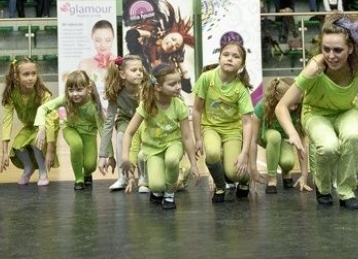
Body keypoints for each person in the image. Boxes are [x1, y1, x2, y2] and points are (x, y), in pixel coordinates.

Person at [276, 13, 358, 210]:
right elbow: (282, 106)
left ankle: (347, 191)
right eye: (326, 49)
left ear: (350, 48)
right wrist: (293, 134)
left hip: (346, 110)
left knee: (353, 136)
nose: (331, 56)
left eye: (338, 50)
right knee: (329, 147)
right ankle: (323, 188)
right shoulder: (315, 68)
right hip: (316, 113)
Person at [121, 63, 201, 210]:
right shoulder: (147, 105)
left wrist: (194, 165)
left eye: (179, 82)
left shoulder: (179, 105)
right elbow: (129, 132)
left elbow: (187, 136)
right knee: (156, 186)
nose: (178, 86)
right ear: (158, 86)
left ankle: (170, 194)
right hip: (152, 149)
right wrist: (125, 158)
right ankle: (161, 188)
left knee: (171, 160)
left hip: (173, 143)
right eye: (172, 84)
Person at [193, 35, 255, 202]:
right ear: (219, 58)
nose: (230, 58)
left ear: (241, 65)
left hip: (232, 130)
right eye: (226, 54)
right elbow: (197, 110)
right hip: (210, 127)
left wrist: (244, 153)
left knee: (233, 173)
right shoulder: (207, 78)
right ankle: (220, 186)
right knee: (212, 154)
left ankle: (244, 180)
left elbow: (248, 123)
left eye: (236, 57)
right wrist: (198, 138)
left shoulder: (241, 89)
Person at [35, 70, 104, 191]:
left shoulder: (94, 104)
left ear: (88, 88)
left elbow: (103, 129)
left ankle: (87, 174)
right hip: (71, 129)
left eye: (79, 90)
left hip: (89, 133)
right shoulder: (66, 99)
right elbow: (43, 108)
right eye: (71, 90)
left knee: (90, 165)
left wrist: (108, 154)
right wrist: (41, 127)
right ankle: (79, 179)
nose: (75, 94)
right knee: (76, 145)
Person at [1, 58, 57, 186]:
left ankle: (43, 173)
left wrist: (50, 149)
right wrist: (4, 152)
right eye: (26, 74)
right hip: (30, 126)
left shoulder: (43, 94)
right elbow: (6, 122)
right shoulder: (11, 94)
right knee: (18, 147)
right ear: (16, 76)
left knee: (35, 143)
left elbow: (49, 121)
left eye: (34, 73)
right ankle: (29, 167)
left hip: (48, 124)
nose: (31, 78)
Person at [250, 77, 309, 193]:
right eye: (292, 102)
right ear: (277, 96)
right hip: (265, 136)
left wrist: (304, 175)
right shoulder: (263, 106)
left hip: (284, 139)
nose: (295, 106)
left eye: (297, 102)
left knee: (288, 162)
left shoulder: (299, 110)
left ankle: (286, 173)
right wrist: (253, 168)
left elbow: (302, 144)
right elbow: (252, 140)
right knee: (274, 136)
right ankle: (272, 179)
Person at [99, 56, 147, 191]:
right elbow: (108, 122)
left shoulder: (145, 89)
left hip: (144, 120)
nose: (139, 73)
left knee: (144, 141)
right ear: (122, 74)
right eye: (134, 70)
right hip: (126, 119)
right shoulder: (116, 92)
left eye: (140, 70)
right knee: (120, 136)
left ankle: (144, 177)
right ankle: (123, 177)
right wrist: (103, 155)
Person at [77, 20, 119, 102]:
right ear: (92, 38)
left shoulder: (120, 63)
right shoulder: (84, 65)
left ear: (113, 39)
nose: (103, 45)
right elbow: (79, 91)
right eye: (98, 40)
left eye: (107, 40)